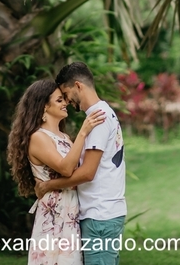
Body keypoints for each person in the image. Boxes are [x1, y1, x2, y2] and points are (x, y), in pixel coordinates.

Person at [35, 62, 126, 265]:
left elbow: (87, 173)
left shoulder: (98, 118)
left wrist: (49, 185)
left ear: (78, 86)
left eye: (66, 94)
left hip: (99, 216)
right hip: (104, 214)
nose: (66, 101)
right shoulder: (103, 113)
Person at [8, 79, 106, 265]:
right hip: (54, 218)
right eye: (59, 100)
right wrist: (84, 132)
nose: (66, 103)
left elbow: (79, 172)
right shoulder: (38, 137)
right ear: (44, 106)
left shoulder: (64, 138)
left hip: (70, 213)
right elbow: (66, 169)